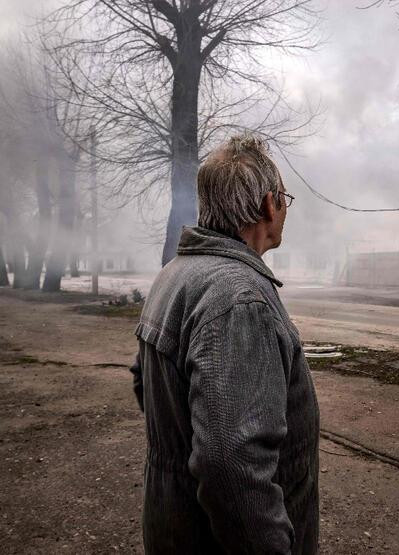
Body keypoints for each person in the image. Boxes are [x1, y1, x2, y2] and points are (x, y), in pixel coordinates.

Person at [129, 135, 319, 554]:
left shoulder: (174, 274)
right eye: (285, 199)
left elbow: (144, 383)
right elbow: (231, 464)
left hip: (172, 525)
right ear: (270, 205)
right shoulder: (239, 299)